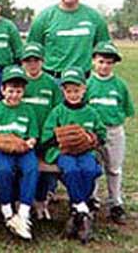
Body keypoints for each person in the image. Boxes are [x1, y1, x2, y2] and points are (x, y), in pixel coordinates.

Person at [41, 67, 106, 244]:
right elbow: (46, 137)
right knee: (70, 171)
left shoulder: (91, 112)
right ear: (63, 91)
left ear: (84, 89)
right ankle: (83, 211)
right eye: (68, 91)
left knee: (91, 170)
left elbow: (101, 134)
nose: (73, 94)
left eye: (77, 90)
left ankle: (76, 211)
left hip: (86, 152)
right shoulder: (58, 111)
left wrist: (91, 138)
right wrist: (60, 138)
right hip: (64, 152)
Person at [0, 65, 39, 240]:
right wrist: (0, 143)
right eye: (11, 91)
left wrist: (28, 144)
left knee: (31, 169)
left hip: (22, 149)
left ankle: (23, 212)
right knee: (3, 170)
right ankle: (7, 211)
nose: (14, 95)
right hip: (1, 150)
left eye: (18, 91)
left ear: (23, 92)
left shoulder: (28, 110)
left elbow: (33, 135)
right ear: (2, 90)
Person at [27, 0, 110, 79]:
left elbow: (104, 50)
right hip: (53, 79)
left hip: (82, 81)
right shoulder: (43, 18)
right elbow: (31, 50)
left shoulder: (94, 18)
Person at [86, 41, 135, 224]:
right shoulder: (88, 84)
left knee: (114, 168)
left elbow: (126, 108)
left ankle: (116, 203)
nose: (104, 66)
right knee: (94, 167)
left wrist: (116, 120)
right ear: (93, 61)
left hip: (114, 130)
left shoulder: (119, 85)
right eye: (101, 61)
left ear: (113, 64)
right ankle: (92, 199)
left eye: (109, 62)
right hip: (92, 131)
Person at [20, 42, 62, 220]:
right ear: (22, 63)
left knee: (45, 169)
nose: (32, 64)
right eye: (28, 61)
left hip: (45, 135)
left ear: (43, 61)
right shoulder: (19, 81)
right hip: (23, 136)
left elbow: (58, 109)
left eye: (36, 60)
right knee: (22, 169)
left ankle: (41, 201)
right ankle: (20, 202)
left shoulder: (51, 83)